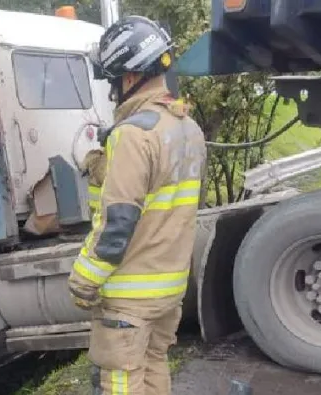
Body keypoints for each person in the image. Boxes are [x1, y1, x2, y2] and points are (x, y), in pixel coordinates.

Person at [67, 16, 207, 395]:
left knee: (120, 381)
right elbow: (169, 199)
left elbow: (118, 221)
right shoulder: (187, 129)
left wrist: (83, 282)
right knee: (153, 366)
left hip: (130, 294)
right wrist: (99, 166)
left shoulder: (133, 134)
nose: (115, 91)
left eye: (114, 81)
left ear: (129, 77)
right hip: (169, 288)